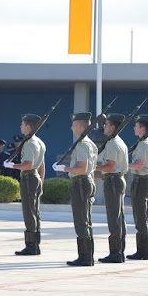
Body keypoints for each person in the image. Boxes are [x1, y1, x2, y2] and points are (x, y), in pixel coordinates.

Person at [53, 112, 98, 267]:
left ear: (80, 126)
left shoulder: (83, 144)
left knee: (81, 221)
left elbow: (82, 168)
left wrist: (64, 168)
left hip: (80, 183)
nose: (71, 127)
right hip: (85, 182)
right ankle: (87, 256)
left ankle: (85, 257)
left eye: (73, 124)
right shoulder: (89, 143)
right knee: (86, 220)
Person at [4, 114, 46, 256]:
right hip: (35, 178)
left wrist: (12, 165)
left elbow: (27, 165)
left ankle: (31, 246)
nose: (20, 126)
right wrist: (41, 181)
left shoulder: (29, 143)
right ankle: (36, 244)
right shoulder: (39, 142)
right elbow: (42, 165)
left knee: (29, 212)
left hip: (29, 178)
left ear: (28, 126)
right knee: (35, 212)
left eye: (22, 124)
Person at [95, 113, 129, 263]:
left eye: (107, 124)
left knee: (114, 217)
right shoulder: (118, 141)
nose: (104, 126)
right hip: (117, 179)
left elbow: (110, 166)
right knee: (119, 217)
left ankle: (115, 252)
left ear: (113, 127)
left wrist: (93, 168)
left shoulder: (112, 144)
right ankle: (119, 250)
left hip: (113, 180)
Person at [127, 114, 148, 261]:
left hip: (142, 181)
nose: (134, 128)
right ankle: (146, 250)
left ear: (142, 128)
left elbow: (139, 165)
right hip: (147, 181)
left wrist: (124, 165)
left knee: (140, 218)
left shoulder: (144, 144)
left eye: (136, 126)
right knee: (145, 217)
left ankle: (143, 251)